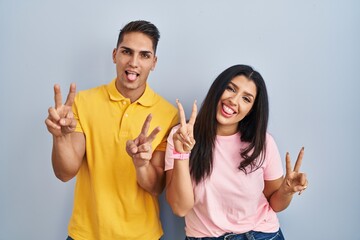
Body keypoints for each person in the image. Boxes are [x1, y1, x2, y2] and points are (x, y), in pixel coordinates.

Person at [45, 20, 178, 240]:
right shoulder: (83, 102)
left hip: (143, 236)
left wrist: (141, 164)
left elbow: (156, 187)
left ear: (154, 62)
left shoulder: (168, 114)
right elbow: (64, 173)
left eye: (144, 55)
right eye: (127, 52)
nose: (133, 62)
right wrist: (60, 138)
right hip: (87, 234)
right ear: (115, 54)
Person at [165, 64, 308, 240]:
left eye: (246, 99)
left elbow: (275, 204)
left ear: (251, 110)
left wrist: (286, 191)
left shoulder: (263, 143)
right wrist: (181, 154)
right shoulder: (181, 136)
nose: (234, 100)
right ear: (217, 89)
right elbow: (180, 208)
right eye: (230, 88)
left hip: (260, 234)